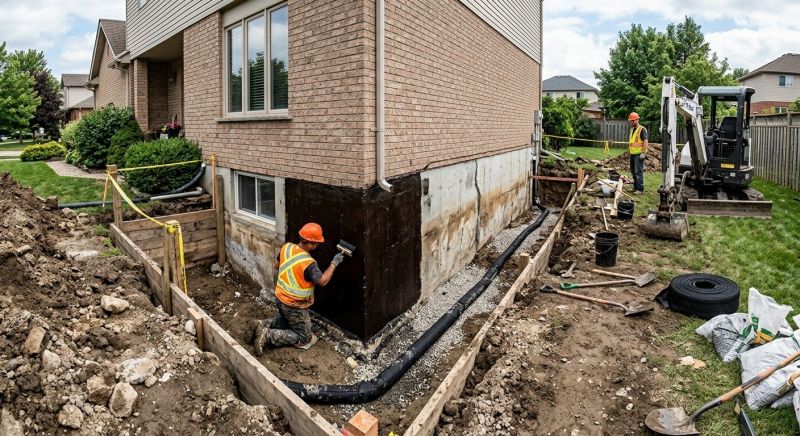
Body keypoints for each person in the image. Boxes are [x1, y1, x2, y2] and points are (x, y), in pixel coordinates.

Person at [252, 223, 345, 354]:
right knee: (304, 337)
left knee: (285, 320)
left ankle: (260, 324)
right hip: (294, 304)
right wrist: (334, 263)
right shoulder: (309, 264)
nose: (318, 246)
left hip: (280, 297)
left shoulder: (287, 247)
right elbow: (323, 281)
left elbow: (277, 265)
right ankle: (267, 336)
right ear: (311, 244)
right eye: (317, 243)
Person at [628, 112, 649, 195]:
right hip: (632, 154)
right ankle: (635, 187)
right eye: (631, 121)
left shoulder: (642, 129)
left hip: (639, 154)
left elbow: (645, 141)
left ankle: (640, 189)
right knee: (633, 171)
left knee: (638, 172)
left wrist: (643, 153)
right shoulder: (632, 130)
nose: (632, 122)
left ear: (637, 120)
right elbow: (631, 142)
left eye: (633, 120)